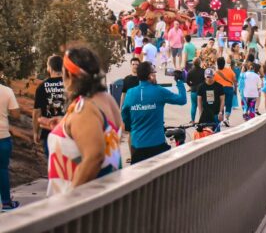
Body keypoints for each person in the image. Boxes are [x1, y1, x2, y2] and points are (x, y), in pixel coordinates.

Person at [47, 45, 123, 196]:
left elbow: (95, 157)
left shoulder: (84, 109)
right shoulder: (106, 99)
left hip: (80, 205)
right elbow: (104, 132)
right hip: (107, 195)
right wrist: (66, 124)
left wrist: (69, 200)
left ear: (68, 74)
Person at [121, 62, 187, 164]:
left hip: (137, 145)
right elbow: (182, 100)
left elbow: (124, 114)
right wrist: (179, 81)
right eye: (154, 72)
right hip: (157, 145)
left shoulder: (130, 93)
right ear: (150, 76)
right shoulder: (159, 91)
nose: (155, 75)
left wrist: (131, 128)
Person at [33, 55, 66, 158]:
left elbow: (37, 112)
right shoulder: (70, 84)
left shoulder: (42, 87)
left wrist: (35, 132)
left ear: (49, 68)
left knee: (52, 166)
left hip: (49, 132)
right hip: (69, 132)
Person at [1, 79, 21, 209]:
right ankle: (7, 202)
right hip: (2, 137)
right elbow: (16, 114)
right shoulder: (7, 91)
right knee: (2, 170)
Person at [214, 57, 237, 126]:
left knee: (220, 104)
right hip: (229, 89)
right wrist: (235, 89)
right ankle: (226, 119)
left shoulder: (215, 73)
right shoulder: (230, 71)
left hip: (219, 89)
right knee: (228, 104)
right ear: (224, 64)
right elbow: (235, 81)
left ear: (217, 64)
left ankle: (220, 118)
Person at [186, 58, 205, 123]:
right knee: (202, 106)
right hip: (202, 91)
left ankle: (193, 120)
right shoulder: (203, 71)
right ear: (200, 63)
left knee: (194, 105)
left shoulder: (190, 71)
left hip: (193, 90)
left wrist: (191, 85)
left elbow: (187, 81)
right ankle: (202, 120)